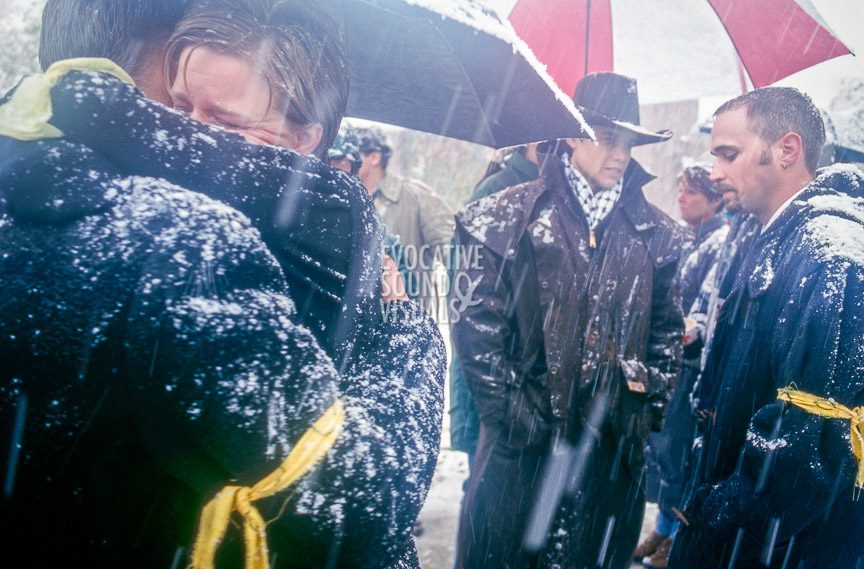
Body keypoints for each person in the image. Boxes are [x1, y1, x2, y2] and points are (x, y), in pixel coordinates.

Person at [1, 1, 446, 567]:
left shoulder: (46, 179)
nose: (188, 132)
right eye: (180, 104)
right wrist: (406, 336)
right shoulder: (191, 242)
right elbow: (358, 500)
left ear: (308, 137)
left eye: (227, 121)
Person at [451, 72, 685, 569]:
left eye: (629, 142)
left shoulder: (658, 236)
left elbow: (666, 335)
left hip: (610, 456)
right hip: (521, 455)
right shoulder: (500, 216)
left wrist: (639, 405)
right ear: (574, 135)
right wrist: (517, 417)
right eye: (608, 138)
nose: (621, 154)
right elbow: (475, 328)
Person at [670, 87, 864, 569]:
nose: (714, 174)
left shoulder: (828, 255)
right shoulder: (775, 234)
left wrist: (720, 510)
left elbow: (809, 445)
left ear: (787, 150)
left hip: (774, 551)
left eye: (728, 155)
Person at [639, 164, 728, 568]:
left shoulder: (720, 241)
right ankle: (663, 526)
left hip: (691, 364)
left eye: (692, 193)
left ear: (713, 201)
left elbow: (703, 306)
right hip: (672, 355)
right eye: (680, 190)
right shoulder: (688, 237)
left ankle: (675, 533)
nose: (682, 198)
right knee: (663, 451)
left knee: (679, 454)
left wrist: (682, 327)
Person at [356, 126, 455, 309]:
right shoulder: (345, 200)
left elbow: (455, 255)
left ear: (374, 157)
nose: (347, 161)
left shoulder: (416, 197)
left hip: (406, 316)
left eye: (355, 155)